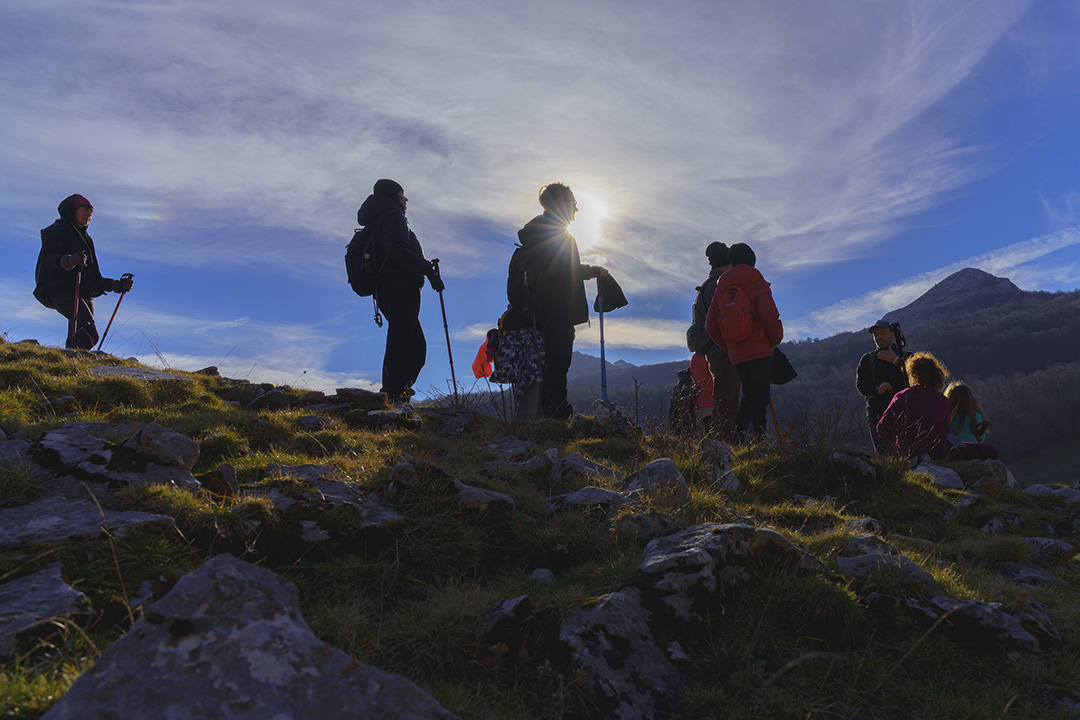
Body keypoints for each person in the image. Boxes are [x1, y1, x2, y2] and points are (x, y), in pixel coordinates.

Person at [516, 183, 607, 419]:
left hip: (543, 308)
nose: (576, 210)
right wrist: (594, 270)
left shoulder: (537, 233)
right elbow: (570, 271)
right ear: (559, 204)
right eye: (573, 204)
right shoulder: (558, 234)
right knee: (558, 361)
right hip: (557, 306)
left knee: (553, 361)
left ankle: (550, 411)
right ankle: (555, 413)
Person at [356, 179, 444, 404]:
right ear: (394, 197)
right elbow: (397, 252)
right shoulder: (392, 216)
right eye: (402, 195)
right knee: (410, 345)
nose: (406, 200)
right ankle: (394, 395)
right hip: (400, 286)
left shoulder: (377, 218)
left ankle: (394, 393)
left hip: (385, 287)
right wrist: (429, 271)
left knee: (406, 341)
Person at [704, 242, 783, 443]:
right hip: (759, 349)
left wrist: (730, 345)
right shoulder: (756, 281)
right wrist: (775, 340)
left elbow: (711, 324)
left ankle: (739, 439)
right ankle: (758, 438)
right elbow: (769, 316)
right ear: (752, 261)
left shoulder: (721, 286)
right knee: (759, 396)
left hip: (737, 353)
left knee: (748, 394)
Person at [38, 194, 134, 350]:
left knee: (76, 339)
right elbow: (47, 258)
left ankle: (67, 366)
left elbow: (91, 277)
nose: (89, 214)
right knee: (90, 335)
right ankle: (70, 365)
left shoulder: (87, 239)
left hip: (85, 294)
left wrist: (117, 285)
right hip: (64, 291)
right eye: (85, 209)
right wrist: (69, 261)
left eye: (91, 211)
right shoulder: (56, 230)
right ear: (71, 210)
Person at [876, 352, 999, 461]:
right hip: (939, 452)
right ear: (937, 375)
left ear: (912, 374)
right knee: (992, 451)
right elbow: (946, 432)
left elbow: (881, 429)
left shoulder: (900, 397)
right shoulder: (943, 401)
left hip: (907, 453)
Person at [687, 242, 741, 438]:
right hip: (724, 352)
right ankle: (717, 451)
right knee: (726, 405)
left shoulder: (706, 287)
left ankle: (717, 448)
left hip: (713, 352)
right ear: (727, 261)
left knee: (724, 402)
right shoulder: (721, 287)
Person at [855, 320, 909, 453]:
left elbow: (917, 381)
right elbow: (861, 384)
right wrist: (876, 389)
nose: (879, 338)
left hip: (906, 412)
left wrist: (896, 361)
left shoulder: (908, 357)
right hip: (878, 413)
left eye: (883, 333)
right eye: (876, 335)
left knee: (908, 453)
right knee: (884, 455)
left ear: (893, 334)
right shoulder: (868, 360)